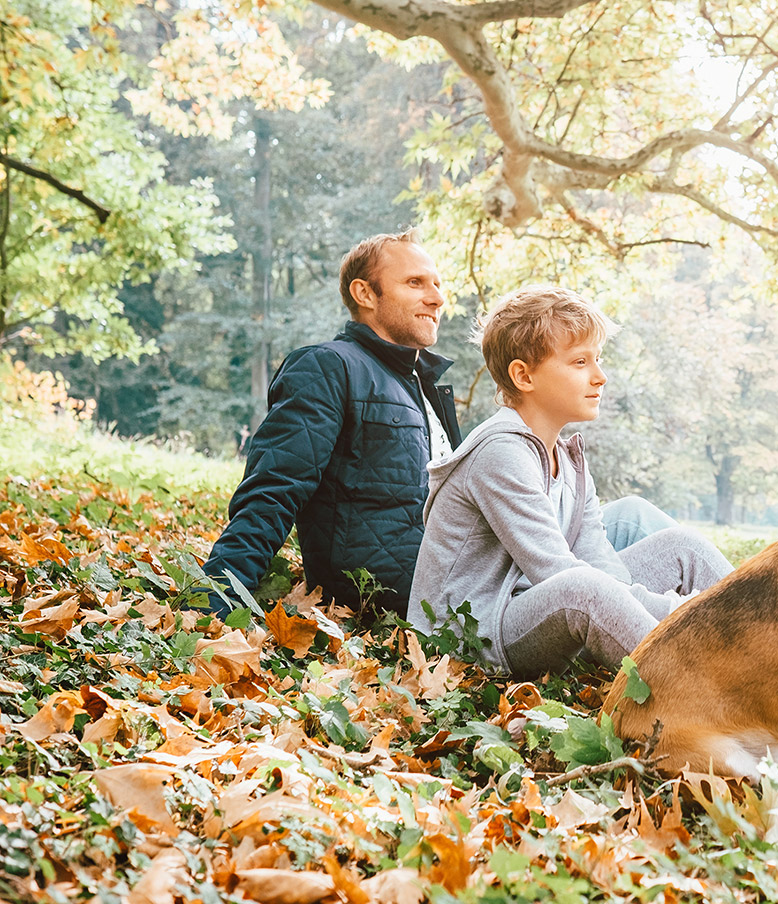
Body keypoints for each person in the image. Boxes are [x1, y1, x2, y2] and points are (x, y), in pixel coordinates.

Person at [408, 286, 732, 679]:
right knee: (582, 588)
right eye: (580, 361)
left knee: (683, 548)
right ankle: (712, 692)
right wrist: (687, 612)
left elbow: (602, 566)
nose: (600, 376)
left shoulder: (568, 458)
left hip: (530, 604)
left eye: (598, 359)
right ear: (523, 375)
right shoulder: (499, 453)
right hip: (472, 635)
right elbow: (557, 573)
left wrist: (657, 607)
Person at [201, 230, 461, 618]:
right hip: (395, 602)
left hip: (463, 586)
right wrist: (210, 606)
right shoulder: (328, 367)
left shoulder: (425, 389)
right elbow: (274, 489)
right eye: (414, 283)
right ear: (365, 294)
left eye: (437, 285)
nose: (437, 297)